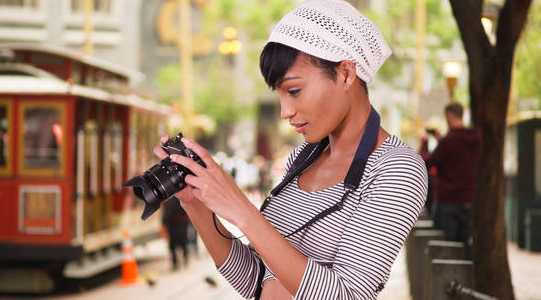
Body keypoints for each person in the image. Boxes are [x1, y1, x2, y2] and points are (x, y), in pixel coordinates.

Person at [154, 1, 427, 298]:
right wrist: (196, 205)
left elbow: (347, 295)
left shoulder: (397, 169)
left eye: (294, 91)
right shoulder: (302, 159)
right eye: (280, 94)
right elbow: (256, 281)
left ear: (347, 74)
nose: (285, 111)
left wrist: (242, 210)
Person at [419, 102, 482, 259]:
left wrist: (424, 144)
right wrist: (442, 139)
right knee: (465, 246)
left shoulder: (450, 141)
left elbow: (428, 162)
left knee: (447, 248)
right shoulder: (476, 139)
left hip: (448, 201)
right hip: (468, 200)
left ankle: (448, 282)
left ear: (449, 116)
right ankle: (464, 281)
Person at [162, 197, 190, 270]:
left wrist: (164, 223)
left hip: (177, 224)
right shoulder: (178, 199)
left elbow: (167, 212)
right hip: (177, 224)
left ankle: (178, 261)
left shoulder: (170, 199)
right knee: (180, 243)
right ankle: (181, 260)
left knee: (177, 244)